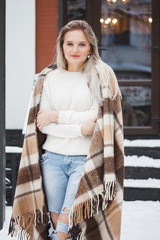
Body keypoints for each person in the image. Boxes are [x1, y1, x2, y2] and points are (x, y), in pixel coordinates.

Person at [9, 20, 124, 240]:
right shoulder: (48, 78)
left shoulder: (100, 77)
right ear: (61, 46)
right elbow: (44, 124)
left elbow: (97, 119)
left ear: (91, 47)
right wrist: (81, 128)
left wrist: (58, 116)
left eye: (81, 44)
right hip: (52, 158)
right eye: (69, 43)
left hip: (84, 160)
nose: (75, 49)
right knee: (55, 219)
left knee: (66, 221)